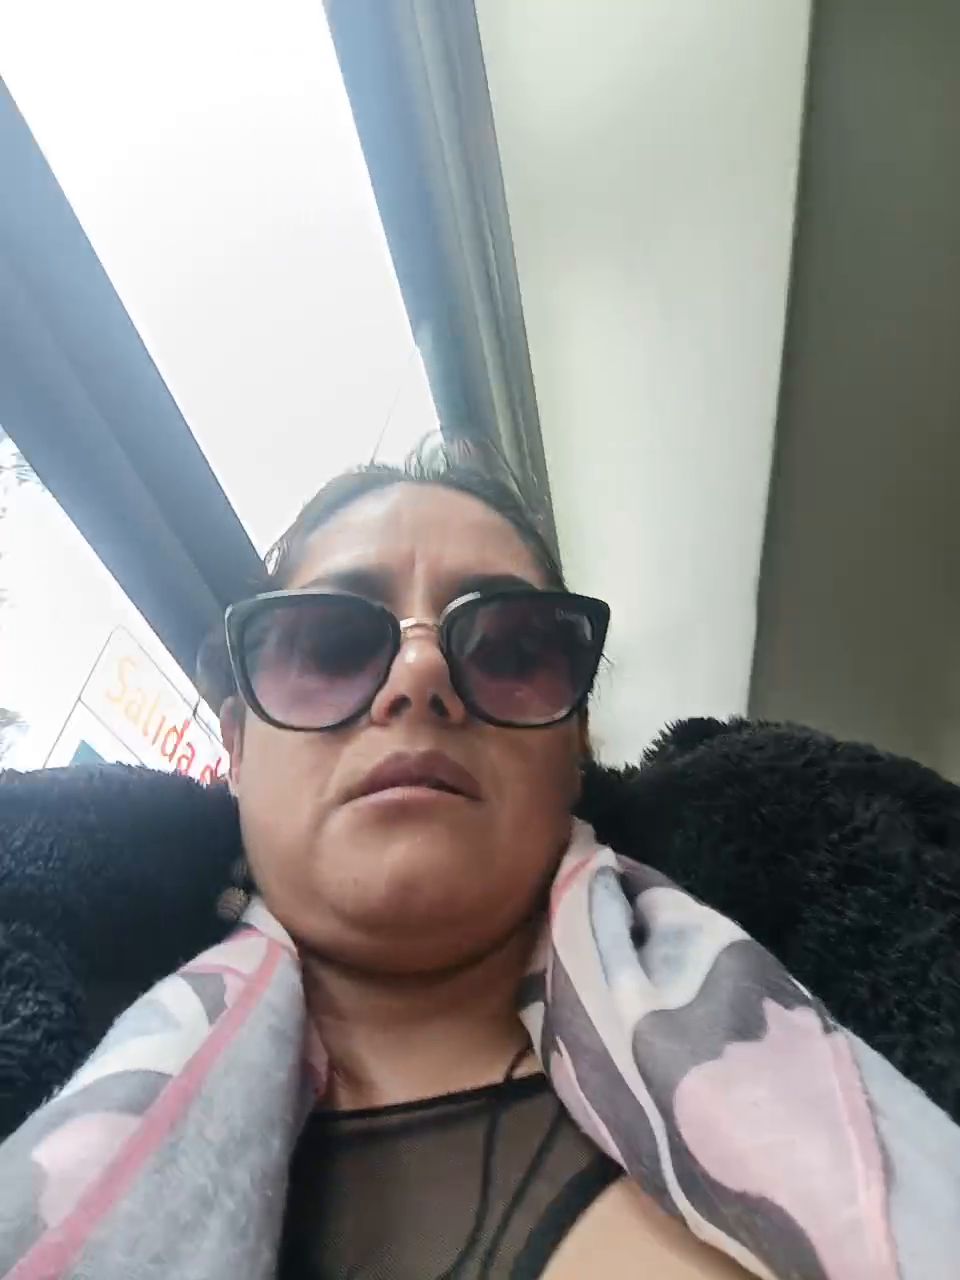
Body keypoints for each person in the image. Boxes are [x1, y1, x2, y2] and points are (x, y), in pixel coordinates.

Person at [1, 448, 958, 1280]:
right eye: (331, 643)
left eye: (510, 649)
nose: (420, 675)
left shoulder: (833, 959)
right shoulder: (59, 1049)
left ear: (574, 749)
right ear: (239, 749)